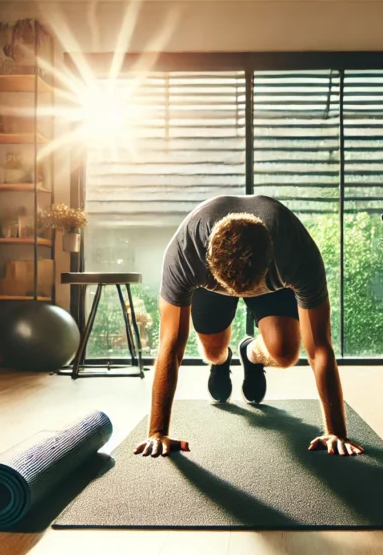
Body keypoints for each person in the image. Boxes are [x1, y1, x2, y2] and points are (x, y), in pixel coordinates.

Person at [133, 195, 364, 458]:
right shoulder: (186, 252)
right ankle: (220, 362)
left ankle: (251, 354)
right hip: (212, 283)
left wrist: (336, 431)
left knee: (287, 354)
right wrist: (157, 431)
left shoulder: (297, 253)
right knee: (212, 351)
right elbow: (171, 345)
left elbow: (320, 348)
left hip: (271, 282)